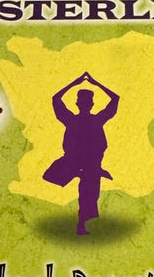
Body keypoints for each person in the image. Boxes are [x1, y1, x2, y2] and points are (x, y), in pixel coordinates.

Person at [43, 72, 119, 235]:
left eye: (87, 102)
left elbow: (115, 100)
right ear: (78, 103)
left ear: (91, 104)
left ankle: (84, 224)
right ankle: (82, 224)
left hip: (92, 165)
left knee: (90, 196)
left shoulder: (92, 120)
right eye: (83, 101)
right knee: (86, 193)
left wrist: (81, 83)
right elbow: (56, 100)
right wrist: (90, 83)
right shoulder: (73, 120)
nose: (85, 104)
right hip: (76, 164)